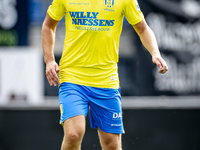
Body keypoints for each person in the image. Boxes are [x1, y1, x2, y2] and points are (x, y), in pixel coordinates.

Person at [42, 0, 168, 149]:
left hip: (106, 79)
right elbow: (48, 25)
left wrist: (155, 53)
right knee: (73, 134)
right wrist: (49, 60)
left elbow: (143, 29)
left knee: (112, 144)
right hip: (72, 76)